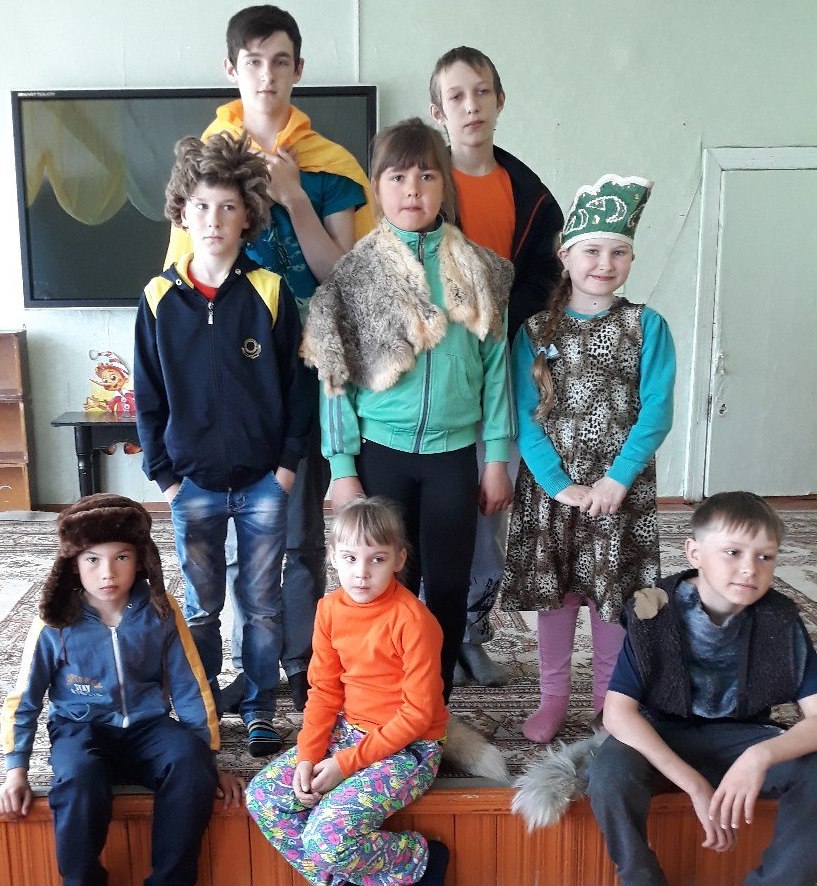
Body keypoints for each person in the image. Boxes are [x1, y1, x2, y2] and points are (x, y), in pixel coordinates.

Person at [166, 5, 375, 714]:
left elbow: (347, 278)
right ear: (232, 69)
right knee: (233, 537)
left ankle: (301, 663)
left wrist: (292, 198)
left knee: (300, 534)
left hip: (308, 371)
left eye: (280, 61)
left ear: (298, 69)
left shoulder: (330, 165)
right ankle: (243, 667)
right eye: (253, 61)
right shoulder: (207, 163)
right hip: (229, 381)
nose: (266, 75)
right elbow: (178, 281)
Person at [301, 117, 515, 702]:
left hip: (453, 457)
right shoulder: (354, 276)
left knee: (446, 586)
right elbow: (334, 378)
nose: (412, 190)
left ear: (445, 184)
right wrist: (342, 469)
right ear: (376, 187)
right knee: (386, 586)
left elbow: (497, 371)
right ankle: (384, 700)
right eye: (397, 177)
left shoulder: (478, 269)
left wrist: (497, 457)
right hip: (381, 455)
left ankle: (432, 705)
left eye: (426, 176)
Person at [134, 131, 312, 756]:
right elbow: (148, 396)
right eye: (202, 206)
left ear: (247, 218)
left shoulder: (270, 292)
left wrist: (286, 467)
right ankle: (202, 703)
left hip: (264, 482)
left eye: (228, 207)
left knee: (262, 605)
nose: (214, 219)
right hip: (193, 486)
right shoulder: (158, 299)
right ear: (183, 213)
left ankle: (260, 707)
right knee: (201, 606)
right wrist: (166, 477)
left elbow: (298, 387)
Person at [501, 173, 676, 742]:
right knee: (557, 596)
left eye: (618, 252)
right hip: (554, 493)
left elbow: (656, 412)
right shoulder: (534, 331)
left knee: (611, 596)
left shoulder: (647, 326)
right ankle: (553, 699)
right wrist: (557, 484)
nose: (605, 263)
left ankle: (608, 701)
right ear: (566, 257)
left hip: (619, 493)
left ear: (631, 260)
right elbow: (526, 414)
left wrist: (617, 480)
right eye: (592, 251)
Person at [0, 494, 244, 886]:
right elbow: (24, 698)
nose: (108, 573)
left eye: (122, 557)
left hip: (149, 728)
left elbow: (190, 686)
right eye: (92, 560)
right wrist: (16, 770)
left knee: (189, 764)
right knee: (78, 779)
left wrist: (206, 758)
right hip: (81, 730)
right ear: (73, 563)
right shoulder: (55, 621)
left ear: (141, 559)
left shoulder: (161, 610)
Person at [586, 491, 817, 886]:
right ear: (694, 553)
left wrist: (760, 756)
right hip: (663, 735)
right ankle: (641, 879)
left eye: (765, 556)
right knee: (610, 773)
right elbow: (618, 713)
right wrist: (693, 784)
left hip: (741, 737)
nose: (750, 569)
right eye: (733, 552)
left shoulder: (781, 620)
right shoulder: (653, 609)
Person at [429, 46, 564, 687]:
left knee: (489, 505)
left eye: (481, 92)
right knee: (431, 507)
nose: (471, 106)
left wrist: (497, 322)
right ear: (438, 111)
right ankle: (427, 635)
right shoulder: (420, 184)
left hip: (501, 372)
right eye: (456, 96)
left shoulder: (531, 195)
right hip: (431, 379)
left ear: (500, 100)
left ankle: (472, 634)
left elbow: (546, 280)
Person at [246, 497, 450, 885]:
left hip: (409, 748)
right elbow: (324, 691)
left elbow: (417, 714)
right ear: (333, 557)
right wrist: (308, 755)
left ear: (399, 560)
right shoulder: (329, 609)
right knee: (263, 798)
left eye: (377, 559)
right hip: (348, 731)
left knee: (325, 840)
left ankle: (420, 861)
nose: (361, 573)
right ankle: (338, 882)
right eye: (350, 558)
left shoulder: (414, 621)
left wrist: (344, 765)